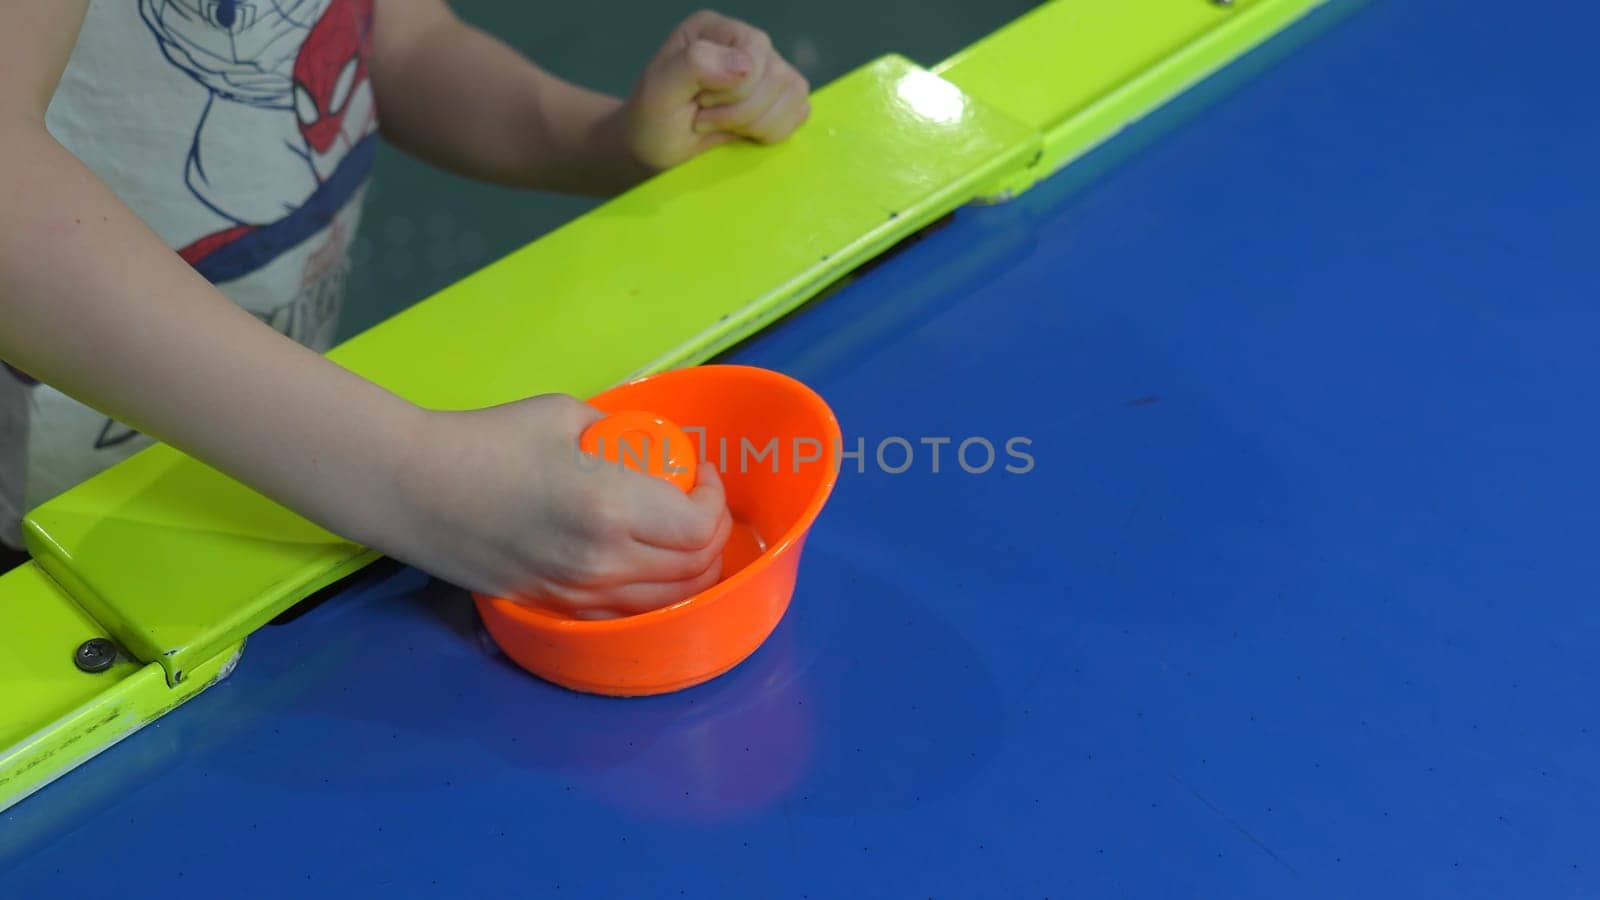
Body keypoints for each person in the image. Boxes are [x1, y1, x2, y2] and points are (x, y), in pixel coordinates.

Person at [0, 1, 810, 613]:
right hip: (41, 501)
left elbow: (394, 32)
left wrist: (605, 139)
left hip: (287, 444)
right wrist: (418, 475)